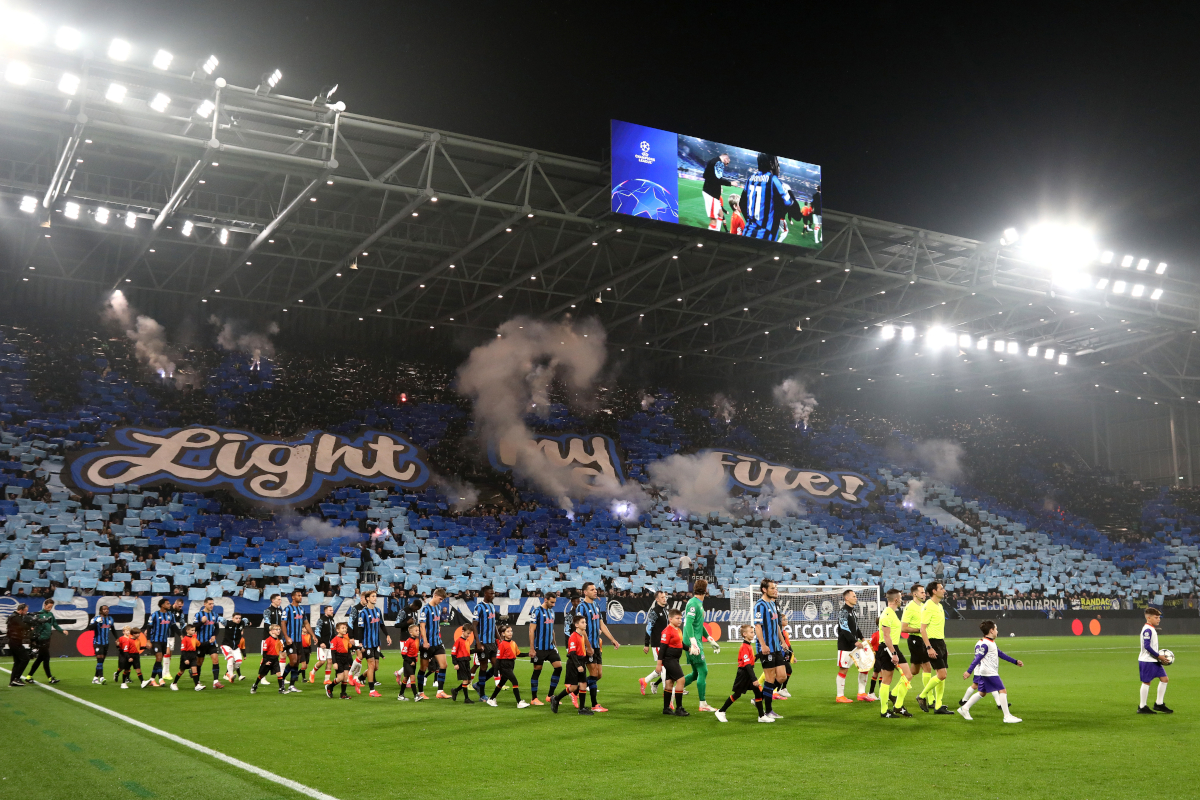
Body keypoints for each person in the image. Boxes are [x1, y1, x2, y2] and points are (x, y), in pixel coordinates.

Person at [958, 620, 1023, 723]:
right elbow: (977, 658)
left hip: (984, 671)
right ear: (991, 631)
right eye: (996, 629)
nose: (997, 631)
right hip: (989, 672)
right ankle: (1007, 716)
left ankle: (964, 708)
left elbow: (1000, 654)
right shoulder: (987, 644)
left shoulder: (984, 642)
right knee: (1002, 691)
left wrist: (1015, 661)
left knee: (982, 693)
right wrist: (968, 671)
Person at [576, 581, 620, 712]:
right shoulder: (581, 607)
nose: (595, 591)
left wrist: (612, 639)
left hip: (596, 645)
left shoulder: (595, 605)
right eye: (591, 589)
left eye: (595, 589)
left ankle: (574, 690)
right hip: (586, 646)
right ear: (585, 592)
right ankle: (595, 704)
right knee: (594, 673)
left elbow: (601, 624)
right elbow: (579, 629)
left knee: (598, 675)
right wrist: (587, 646)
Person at [715, 624, 770, 723]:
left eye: (753, 632)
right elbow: (747, 664)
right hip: (744, 673)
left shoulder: (748, 645)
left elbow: (751, 660)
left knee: (757, 691)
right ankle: (721, 711)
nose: (753, 634)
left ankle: (761, 716)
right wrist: (754, 679)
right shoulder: (744, 646)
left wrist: (761, 654)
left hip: (748, 672)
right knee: (737, 694)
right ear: (744, 634)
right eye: (751, 632)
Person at [683, 578, 720, 712]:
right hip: (693, 643)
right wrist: (693, 641)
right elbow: (688, 624)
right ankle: (703, 704)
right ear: (705, 590)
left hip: (694, 641)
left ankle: (674, 690)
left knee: (695, 673)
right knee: (703, 671)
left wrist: (710, 639)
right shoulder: (693, 603)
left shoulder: (698, 603)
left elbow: (699, 625)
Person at [740, 152, 796, 241]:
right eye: (777, 162)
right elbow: (788, 202)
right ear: (771, 164)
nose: (778, 166)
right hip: (764, 236)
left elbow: (742, 203)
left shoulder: (750, 179)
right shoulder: (773, 180)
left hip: (747, 232)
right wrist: (788, 190)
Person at [876, 588, 914, 718]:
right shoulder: (886, 614)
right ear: (896, 599)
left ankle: (898, 706)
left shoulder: (891, 613)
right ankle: (884, 711)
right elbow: (886, 636)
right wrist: (893, 653)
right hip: (887, 648)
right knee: (887, 680)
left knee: (908, 675)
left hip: (893, 648)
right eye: (901, 597)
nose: (902, 599)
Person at [917, 581, 952, 714]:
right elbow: (922, 629)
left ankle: (938, 705)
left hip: (940, 643)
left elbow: (939, 628)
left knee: (941, 675)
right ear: (934, 591)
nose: (944, 590)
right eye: (941, 588)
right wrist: (929, 647)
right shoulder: (928, 606)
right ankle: (921, 696)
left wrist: (944, 646)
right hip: (932, 643)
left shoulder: (940, 606)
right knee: (942, 675)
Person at [753, 578, 785, 720]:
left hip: (777, 647)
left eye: (775, 588)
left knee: (782, 676)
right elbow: (758, 626)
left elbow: (777, 626)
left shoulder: (773, 604)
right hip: (766, 648)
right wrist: (763, 645)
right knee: (770, 678)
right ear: (764, 589)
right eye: (772, 588)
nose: (775, 590)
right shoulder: (760, 605)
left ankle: (760, 697)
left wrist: (783, 641)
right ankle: (768, 710)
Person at [550, 614, 594, 715]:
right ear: (576, 625)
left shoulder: (582, 635)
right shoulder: (573, 637)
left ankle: (582, 709)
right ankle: (556, 699)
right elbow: (572, 653)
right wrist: (578, 665)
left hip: (581, 661)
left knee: (583, 684)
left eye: (585, 622)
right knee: (573, 687)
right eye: (583, 622)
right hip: (574, 663)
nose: (585, 624)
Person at [355, 589, 391, 697]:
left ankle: (361, 678)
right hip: (367, 643)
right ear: (367, 599)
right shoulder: (363, 613)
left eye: (375, 596)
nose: (375, 598)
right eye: (373, 596)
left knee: (376, 667)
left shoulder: (378, 611)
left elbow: (382, 625)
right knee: (371, 666)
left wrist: (387, 635)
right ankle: (372, 691)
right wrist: (360, 644)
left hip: (376, 643)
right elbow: (360, 629)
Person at [528, 591, 562, 705]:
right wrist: (532, 648)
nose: (553, 604)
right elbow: (531, 630)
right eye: (552, 602)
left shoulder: (552, 612)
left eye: (554, 602)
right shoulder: (537, 611)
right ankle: (534, 698)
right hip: (539, 648)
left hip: (550, 647)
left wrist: (555, 644)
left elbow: (551, 629)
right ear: (545, 600)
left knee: (558, 667)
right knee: (537, 671)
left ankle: (550, 695)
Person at [1137, 607, 1172, 714]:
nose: (1158, 619)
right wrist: (1159, 656)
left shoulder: (1151, 628)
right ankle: (1142, 707)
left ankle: (1159, 704)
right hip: (1147, 660)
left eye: (1159, 617)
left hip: (1153, 660)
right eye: (1156, 617)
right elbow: (1147, 646)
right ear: (1149, 618)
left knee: (1164, 679)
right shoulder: (1147, 629)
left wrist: (1157, 657)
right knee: (1147, 682)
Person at [835, 589, 866, 703]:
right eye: (853, 596)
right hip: (845, 645)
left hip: (854, 645)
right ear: (846, 598)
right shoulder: (843, 611)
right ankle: (840, 696)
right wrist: (854, 641)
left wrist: (862, 638)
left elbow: (856, 628)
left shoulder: (853, 611)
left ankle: (861, 693)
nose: (856, 598)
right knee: (844, 669)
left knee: (864, 667)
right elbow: (844, 628)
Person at [419, 588, 450, 699]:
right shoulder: (425, 609)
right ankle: (421, 692)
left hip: (437, 642)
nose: (441, 601)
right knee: (423, 668)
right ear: (435, 595)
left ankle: (440, 691)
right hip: (427, 644)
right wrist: (425, 641)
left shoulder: (438, 608)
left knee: (444, 665)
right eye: (440, 599)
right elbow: (422, 626)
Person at [487, 623, 527, 707]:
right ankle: (519, 702)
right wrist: (496, 671)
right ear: (503, 634)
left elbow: (518, 654)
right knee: (514, 682)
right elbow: (498, 659)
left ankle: (491, 699)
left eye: (511, 631)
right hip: (504, 665)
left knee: (501, 683)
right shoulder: (502, 644)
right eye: (508, 631)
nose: (510, 633)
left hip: (511, 664)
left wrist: (528, 654)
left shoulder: (513, 643)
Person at [281, 589, 314, 693]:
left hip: (299, 640)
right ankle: (281, 680)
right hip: (290, 640)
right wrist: (286, 637)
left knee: (297, 662)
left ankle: (291, 685)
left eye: (301, 595)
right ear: (293, 597)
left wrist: (313, 635)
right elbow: (283, 623)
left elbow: (306, 623)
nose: (301, 597)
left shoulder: (301, 609)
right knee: (293, 661)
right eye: (299, 595)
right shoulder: (287, 609)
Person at [25, 598, 64, 684]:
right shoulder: (39, 614)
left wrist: (62, 631)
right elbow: (33, 625)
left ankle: (29, 676)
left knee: (40, 659)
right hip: (41, 639)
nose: (49, 608)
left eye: (51, 607)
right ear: (44, 605)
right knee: (46, 658)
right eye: (49, 606)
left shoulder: (50, 614)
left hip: (47, 638)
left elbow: (55, 624)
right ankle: (50, 678)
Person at [901, 584, 931, 696]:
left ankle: (895, 692)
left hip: (922, 639)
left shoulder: (923, 606)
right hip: (915, 639)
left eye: (924, 592)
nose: (924, 594)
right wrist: (920, 630)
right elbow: (903, 628)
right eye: (922, 592)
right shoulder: (910, 607)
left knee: (914, 671)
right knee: (927, 667)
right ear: (915, 594)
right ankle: (929, 697)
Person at [658, 608, 688, 716]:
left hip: (675, 659)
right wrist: (659, 664)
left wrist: (689, 649)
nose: (680, 620)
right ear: (670, 619)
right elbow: (662, 648)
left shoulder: (678, 630)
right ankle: (679, 708)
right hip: (669, 659)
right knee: (681, 680)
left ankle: (666, 708)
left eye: (681, 618)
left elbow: (681, 644)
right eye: (677, 618)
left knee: (669, 683)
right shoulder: (667, 631)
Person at [640, 590, 669, 695]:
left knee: (663, 668)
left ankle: (645, 681)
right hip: (657, 644)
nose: (664, 598)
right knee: (664, 667)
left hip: (665, 643)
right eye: (662, 597)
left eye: (665, 597)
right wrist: (646, 644)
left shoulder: (665, 610)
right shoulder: (654, 611)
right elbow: (649, 628)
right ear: (657, 599)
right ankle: (667, 690)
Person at [472, 586, 498, 701]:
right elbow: (474, 625)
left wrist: (499, 638)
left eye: (493, 593)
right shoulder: (479, 607)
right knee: (483, 667)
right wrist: (478, 642)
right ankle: (482, 695)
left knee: (497, 666)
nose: (493, 595)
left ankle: (478, 684)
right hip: (483, 642)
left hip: (492, 642)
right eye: (491, 593)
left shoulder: (492, 606)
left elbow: (494, 624)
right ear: (485, 594)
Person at [194, 597, 225, 689]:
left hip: (211, 643)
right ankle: (197, 681)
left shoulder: (214, 615)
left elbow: (217, 628)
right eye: (210, 604)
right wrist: (201, 622)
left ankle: (215, 682)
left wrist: (214, 636)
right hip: (201, 643)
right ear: (205, 604)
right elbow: (194, 628)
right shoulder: (198, 615)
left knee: (215, 660)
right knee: (199, 662)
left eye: (212, 604)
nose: (212, 605)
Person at [144, 598, 176, 686]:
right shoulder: (155, 615)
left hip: (164, 640)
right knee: (159, 658)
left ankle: (152, 679)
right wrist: (148, 640)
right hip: (155, 640)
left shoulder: (170, 615)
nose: (170, 605)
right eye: (168, 603)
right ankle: (161, 679)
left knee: (159, 660)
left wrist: (181, 635)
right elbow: (149, 627)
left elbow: (174, 626)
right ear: (162, 605)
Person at [700, 153, 733, 231]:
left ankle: (717, 231)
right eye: (727, 163)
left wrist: (717, 184)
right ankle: (711, 237)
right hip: (711, 194)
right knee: (713, 219)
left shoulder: (712, 161)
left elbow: (705, 175)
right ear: (725, 159)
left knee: (720, 214)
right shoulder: (718, 163)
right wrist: (730, 183)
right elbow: (717, 179)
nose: (726, 165)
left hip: (712, 193)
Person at [251, 624, 287, 695]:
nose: (278, 631)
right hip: (268, 659)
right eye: (276, 629)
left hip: (275, 659)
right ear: (272, 631)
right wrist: (265, 661)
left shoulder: (279, 641)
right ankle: (255, 685)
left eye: (279, 629)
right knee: (262, 675)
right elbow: (264, 652)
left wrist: (289, 645)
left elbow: (282, 650)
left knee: (279, 673)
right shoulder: (268, 640)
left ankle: (281, 688)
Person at [171, 625, 204, 691]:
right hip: (186, 655)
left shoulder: (194, 637)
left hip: (193, 655)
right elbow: (183, 650)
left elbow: (198, 644)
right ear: (187, 631)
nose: (194, 631)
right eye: (192, 630)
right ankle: (174, 683)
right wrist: (185, 659)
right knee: (181, 671)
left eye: (194, 630)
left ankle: (197, 685)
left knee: (194, 670)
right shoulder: (185, 639)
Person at [449, 622, 476, 703]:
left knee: (468, 681)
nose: (469, 635)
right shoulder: (458, 641)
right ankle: (466, 699)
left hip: (466, 661)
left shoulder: (467, 641)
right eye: (468, 633)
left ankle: (456, 690)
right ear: (463, 631)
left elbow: (467, 651)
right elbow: (453, 653)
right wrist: (455, 663)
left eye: (470, 633)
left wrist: (477, 650)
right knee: (465, 680)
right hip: (461, 662)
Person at [88, 604, 115, 685]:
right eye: (104, 609)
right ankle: (102, 677)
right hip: (98, 642)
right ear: (100, 611)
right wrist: (97, 622)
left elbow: (113, 629)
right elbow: (90, 628)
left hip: (106, 643)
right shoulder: (95, 618)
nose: (106, 610)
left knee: (101, 661)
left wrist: (117, 638)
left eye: (107, 609)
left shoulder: (110, 619)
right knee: (99, 660)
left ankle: (95, 678)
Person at [327, 622, 354, 700]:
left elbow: (350, 647)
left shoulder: (346, 638)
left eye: (345, 628)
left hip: (345, 659)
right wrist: (334, 662)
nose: (345, 629)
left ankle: (343, 693)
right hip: (338, 659)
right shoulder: (334, 640)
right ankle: (330, 686)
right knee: (340, 678)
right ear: (337, 630)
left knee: (345, 677)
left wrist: (358, 648)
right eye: (343, 628)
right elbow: (333, 652)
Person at [311, 606, 337, 685]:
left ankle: (326, 679)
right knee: (322, 661)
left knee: (330, 661)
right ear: (325, 611)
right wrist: (321, 642)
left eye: (332, 610)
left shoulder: (332, 620)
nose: (332, 611)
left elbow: (333, 633)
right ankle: (312, 673)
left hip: (330, 645)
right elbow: (317, 631)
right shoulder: (321, 620)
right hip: (322, 645)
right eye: (330, 610)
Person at [262, 593, 286, 679]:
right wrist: (272, 632)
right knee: (266, 658)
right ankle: (262, 678)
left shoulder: (280, 610)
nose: (280, 601)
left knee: (283, 654)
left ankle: (282, 676)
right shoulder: (267, 610)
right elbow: (267, 622)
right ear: (273, 600)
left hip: (279, 638)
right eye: (278, 599)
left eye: (280, 599)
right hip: (268, 638)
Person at [7, 603, 31, 686]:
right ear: (21, 610)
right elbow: (23, 626)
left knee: (17, 661)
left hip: (13, 641)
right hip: (15, 642)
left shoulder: (13, 616)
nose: (26, 613)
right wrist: (30, 626)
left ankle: (13, 680)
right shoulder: (16, 618)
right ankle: (16, 678)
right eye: (25, 611)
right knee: (25, 659)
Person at [396, 622, 420, 700]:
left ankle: (400, 695)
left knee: (406, 678)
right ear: (411, 632)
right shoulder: (408, 641)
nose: (418, 632)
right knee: (412, 677)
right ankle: (416, 696)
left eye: (418, 630)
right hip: (408, 662)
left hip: (414, 661)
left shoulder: (417, 640)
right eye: (416, 630)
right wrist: (410, 661)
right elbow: (403, 654)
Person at [220, 611, 246, 683]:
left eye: (239, 618)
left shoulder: (242, 623)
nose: (238, 619)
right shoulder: (228, 623)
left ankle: (228, 673)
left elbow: (246, 620)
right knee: (230, 658)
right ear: (232, 618)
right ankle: (231, 675)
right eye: (236, 618)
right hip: (226, 645)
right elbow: (220, 619)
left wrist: (248, 622)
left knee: (238, 662)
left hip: (235, 647)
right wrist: (217, 618)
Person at [775, 615, 793, 699]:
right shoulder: (779, 632)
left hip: (784, 654)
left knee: (786, 671)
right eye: (784, 619)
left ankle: (779, 690)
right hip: (778, 654)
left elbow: (788, 645)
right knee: (786, 671)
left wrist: (792, 655)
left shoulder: (785, 632)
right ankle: (779, 689)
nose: (787, 620)